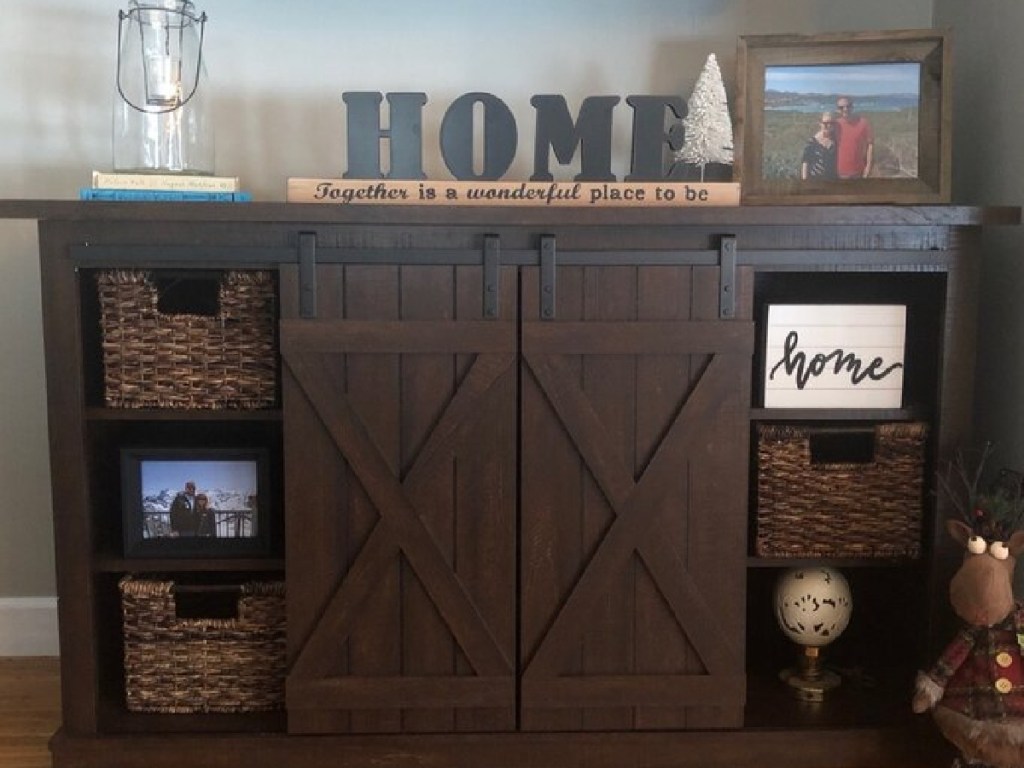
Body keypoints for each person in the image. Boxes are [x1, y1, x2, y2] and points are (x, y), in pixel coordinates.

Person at [834, 96, 874, 179]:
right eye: (841, 107)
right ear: (838, 110)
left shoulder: (863, 123)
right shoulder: (835, 125)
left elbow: (870, 145)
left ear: (852, 107)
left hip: (858, 172)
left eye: (847, 106)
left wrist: (868, 166)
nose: (845, 109)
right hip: (839, 173)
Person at [800, 112, 837, 179]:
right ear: (820, 124)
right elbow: (805, 162)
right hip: (815, 179)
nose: (828, 126)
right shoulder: (812, 142)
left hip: (832, 180)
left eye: (831, 123)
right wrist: (804, 181)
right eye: (825, 123)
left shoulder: (836, 140)